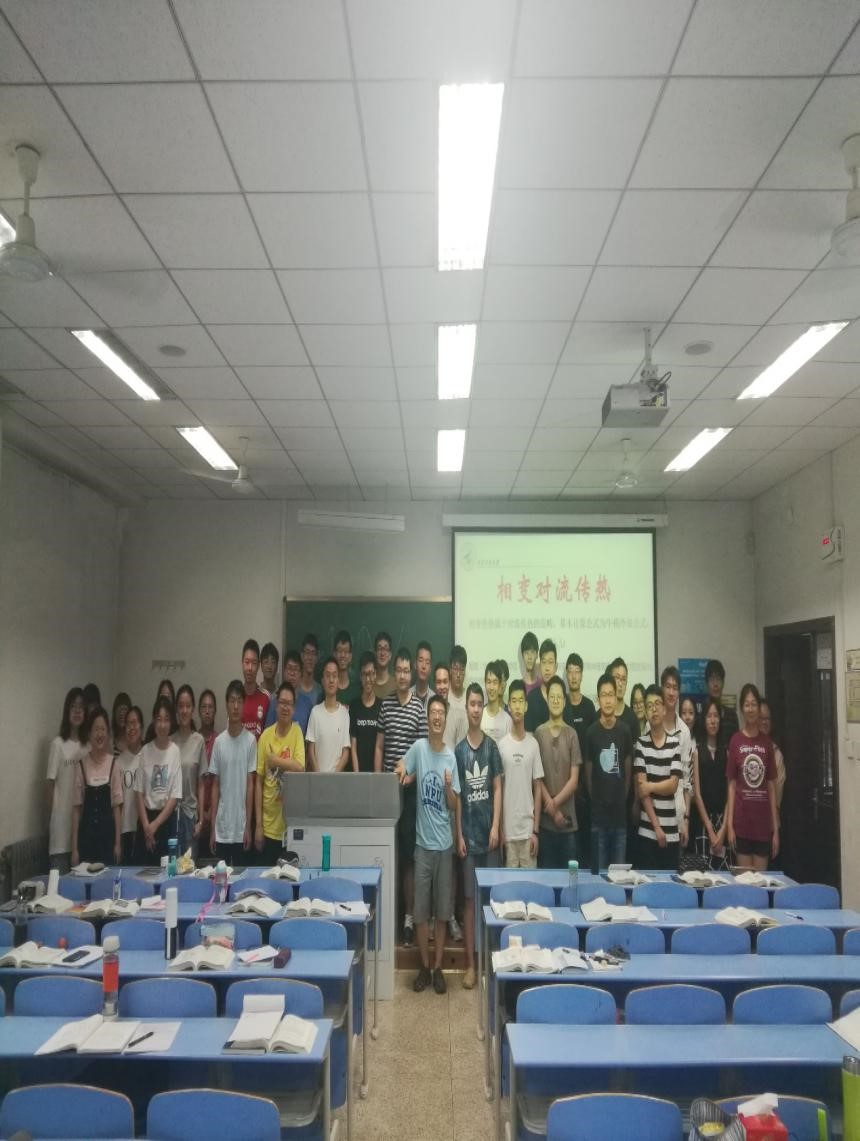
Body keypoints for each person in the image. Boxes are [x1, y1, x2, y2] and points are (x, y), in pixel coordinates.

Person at [396, 693, 461, 995]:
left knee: (443, 913)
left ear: (445, 719)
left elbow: (454, 804)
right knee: (421, 913)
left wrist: (448, 788)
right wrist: (401, 771)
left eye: (441, 713)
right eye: (432, 712)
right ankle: (423, 966)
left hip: (444, 847)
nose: (436, 717)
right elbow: (402, 765)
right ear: (427, 718)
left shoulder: (451, 757)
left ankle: (437, 968)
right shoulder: (419, 748)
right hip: (422, 847)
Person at [375, 648, 428, 946]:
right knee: (385, 853)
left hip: (409, 793)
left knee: (408, 858)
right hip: (386, 791)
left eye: (408, 670)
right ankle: (386, 914)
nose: (404, 675)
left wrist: (409, 776)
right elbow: (380, 746)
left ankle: (408, 917)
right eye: (401, 670)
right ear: (395, 674)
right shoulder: (386, 705)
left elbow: (422, 754)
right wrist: (378, 780)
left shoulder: (419, 707)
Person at [455, 683, 502, 989]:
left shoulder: (492, 748)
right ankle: (471, 965)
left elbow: (497, 788)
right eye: (471, 704)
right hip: (468, 839)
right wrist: (458, 834)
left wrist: (496, 826)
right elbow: (458, 796)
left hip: (491, 837)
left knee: (491, 900)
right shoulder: (459, 751)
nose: (474, 709)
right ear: (466, 708)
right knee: (470, 901)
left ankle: (491, 963)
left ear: (483, 708)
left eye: (478, 704)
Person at [726, 683, 780, 870]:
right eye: (747, 704)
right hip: (741, 824)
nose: (750, 709)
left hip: (762, 826)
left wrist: (775, 829)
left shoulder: (767, 743)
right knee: (744, 884)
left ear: (759, 708)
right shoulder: (735, 741)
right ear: (742, 709)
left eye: (754, 704)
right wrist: (730, 825)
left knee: (760, 883)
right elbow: (732, 785)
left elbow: (771, 787)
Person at [584, 673, 633, 869]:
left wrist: (620, 798)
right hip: (598, 819)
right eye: (603, 695)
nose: (608, 700)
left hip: (619, 818)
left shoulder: (625, 731)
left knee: (619, 876)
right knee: (599, 875)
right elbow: (588, 777)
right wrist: (598, 800)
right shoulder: (591, 732)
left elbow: (628, 774)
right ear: (598, 699)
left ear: (616, 697)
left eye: (611, 694)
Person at [255, 681, 306, 863]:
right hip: (268, 825)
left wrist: (275, 761)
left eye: (289, 703)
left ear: (294, 708)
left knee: (289, 877)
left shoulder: (297, 732)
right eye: (282, 702)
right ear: (276, 705)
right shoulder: (265, 736)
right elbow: (258, 783)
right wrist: (258, 826)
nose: (285, 707)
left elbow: (300, 768)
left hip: (290, 824)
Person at [535, 676, 582, 867]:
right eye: (552, 697)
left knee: (569, 879)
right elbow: (537, 778)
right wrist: (552, 809)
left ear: (564, 701)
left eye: (559, 697)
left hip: (568, 823)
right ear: (547, 700)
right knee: (547, 878)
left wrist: (554, 804)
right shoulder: (539, 733)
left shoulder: (572, 734)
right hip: (545, 824)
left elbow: (574, 780)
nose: (555, 701)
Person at [208, 680, 257, 864]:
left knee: (240, 879)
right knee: (220, 878)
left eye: (239, 701)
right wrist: (212, 828)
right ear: (226, 704)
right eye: (232, 701)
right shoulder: (219, 742)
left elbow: (251, 784)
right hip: (221, 828)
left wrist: (248, 826)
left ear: (244, 704)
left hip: (241, 829)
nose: (236, 706)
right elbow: (215, 786)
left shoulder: (250, 741)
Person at [634, 685, 682, 870]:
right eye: (649, 706)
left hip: (671, 831)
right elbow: (642, 792)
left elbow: (673, 785)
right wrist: (657, 828)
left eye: (657, 704)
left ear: (664, 709)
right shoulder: (641, 744)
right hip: (647, 831)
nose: (653, 709)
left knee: (670, 884)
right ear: (645, 712)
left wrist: (651, 786)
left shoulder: (674, 743)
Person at [498, 680, 544, 869]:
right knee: (509, 887)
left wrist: (535, 831)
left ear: (526, 706)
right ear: (509, 706)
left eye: (521, 701)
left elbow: (538, 789)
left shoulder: (533, 744)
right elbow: (498, 789)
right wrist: (500, 829)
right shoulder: (501, 745)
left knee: (529, 886)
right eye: (514, 701)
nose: (517, 706)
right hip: (508, 834)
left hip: (528, 833)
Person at [71, 705, 122, 867]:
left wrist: (118, 844)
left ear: (107, 733)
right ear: (89, 733)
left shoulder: (114, 764)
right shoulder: (81, 765)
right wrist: (74, 849)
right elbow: (76, 809)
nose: (99, 734)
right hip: (86, 839)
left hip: (107, 840)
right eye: (96, 729)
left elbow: (117, 808)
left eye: (103, 729)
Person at [135, 695, 181, 860]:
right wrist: (147, 827)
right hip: (145, 821)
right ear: (154, 721)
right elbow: (139, 793)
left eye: (166, 719)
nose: (162, 725)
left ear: (171, 722)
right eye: (159, 719)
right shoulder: (145, 751)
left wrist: (155, 825)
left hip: (165, 822)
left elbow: (174, 796)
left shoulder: (175, 751)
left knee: (167, 871)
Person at [46, 687, 86, 873]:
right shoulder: (58, 744)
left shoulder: (88, 747)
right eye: (73, 706)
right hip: (60, 833)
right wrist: (52, 821)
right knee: (58, 884)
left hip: (82, 831)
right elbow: (50, 785)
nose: (77, 711)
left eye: (81, 707)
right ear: (66, 710)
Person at [692, 698, 729, 868]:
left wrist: (723, 830)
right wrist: (710, 830)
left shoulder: (727, 752)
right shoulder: (697, 751)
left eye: (716, 716)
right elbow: (697, 794)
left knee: (724, 876)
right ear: (704, 720)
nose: (713, 720)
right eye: (709, 716)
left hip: (723, 823)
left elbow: (730, 794)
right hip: (703, 822)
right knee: (703, 876)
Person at [660, 666, 693, 848]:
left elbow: (687, 781)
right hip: (655, 815)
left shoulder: (684, 732)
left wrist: (686, 820)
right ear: (661, 689)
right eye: (668, 687)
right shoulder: (651, 725)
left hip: (677, 814)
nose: (671, 692)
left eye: (675, 688)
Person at [172, 684, 207, 856]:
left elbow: (201, 784)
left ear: (193, 709)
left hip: (190, 815)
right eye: (181, 706)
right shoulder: (170, 741)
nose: (184, 710)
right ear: (176, 710)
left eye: (188, 706)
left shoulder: (198, 740)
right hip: (171, 814)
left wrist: (200, 820)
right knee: (171, 865)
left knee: (189, 866)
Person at [306, 658, 352, 772]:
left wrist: (333, 777)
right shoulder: (315, 712)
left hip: (337, 779)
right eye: (327, 675)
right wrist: (319, 776)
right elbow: (311, 750)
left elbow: (345, 753)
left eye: (334, 676)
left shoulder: (344, 714)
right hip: (318, 777)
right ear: (322, 681)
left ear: (338, 680)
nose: (331, 680)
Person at [264, 650, 314, 736]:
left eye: (296, 669)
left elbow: (310, 737)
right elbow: (267, 734)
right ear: (284, 671)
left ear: (301, 674)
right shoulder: (274, 703)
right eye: (289, 668)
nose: (292, 673)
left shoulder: (307, 704)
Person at [117, 704, 143, 864]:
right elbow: (118, 803)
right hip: (125, 828)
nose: (131, 728)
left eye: (135, 723)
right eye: (128, 724)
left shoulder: (148, 755)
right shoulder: (119, 761)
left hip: (145, 827)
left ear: (141, 726)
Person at [350, 652, 381, 774]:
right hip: (358, 773)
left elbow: (381, 745)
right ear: (360, 676)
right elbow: (353, 745)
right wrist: (357, 775)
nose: (368, 679)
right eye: (364, 674)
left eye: (371, 674)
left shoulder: (382, 706)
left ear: (375, 674)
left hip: (377, 774)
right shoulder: (354, 706)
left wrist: (378, 776)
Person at [197, 688, 217, 855]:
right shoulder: (193, 740)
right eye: (204, 707)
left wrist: (210, 813)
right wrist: (201, 812)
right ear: (199, 711)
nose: (207, 711)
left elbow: (222, 781)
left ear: (215, 711)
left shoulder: (220, 741)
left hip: (216, 815)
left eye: (210, 707)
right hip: (195, 814)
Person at [562, 652, 596, 751]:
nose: (573, 676)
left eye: (577, 671)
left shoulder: (589, 706)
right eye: (570, 671)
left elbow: (593, 739)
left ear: (581, 675)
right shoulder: (561, 704)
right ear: (566, 675)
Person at [524, 638, 557, 732]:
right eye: (544, 662)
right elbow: (528, 735)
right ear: (539, 666)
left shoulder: (563, 699)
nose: (547, 668)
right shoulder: (531, 698)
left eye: (550, 662)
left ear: (556, 666)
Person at [759, 698, 786, 809]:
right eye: (761, 718)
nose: (764, 722)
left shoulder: (776, 753)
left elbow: (778, 789)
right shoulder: (744, 749)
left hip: (769, 813)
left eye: (767, 719)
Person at [607, 657, 641, 744]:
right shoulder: (599, 716)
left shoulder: (632, 718)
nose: (620, 683)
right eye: (617, 678)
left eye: (623, 679)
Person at [241, 638, 269, 740]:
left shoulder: (266, 697)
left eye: (254, 663)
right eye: (247, 662)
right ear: (242, 663)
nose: (250, 668)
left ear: (258, 666)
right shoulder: (235, 696)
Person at [434, 663, 467, 749]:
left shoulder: (459, 716)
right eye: (438, 682)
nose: (442, 687)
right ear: (434, 684)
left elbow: (461, 752)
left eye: (445, 682)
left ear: (449, 683)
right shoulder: (427, 714)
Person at [706, 659, 739, 738]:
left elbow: (736, 742)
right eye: (712, 679)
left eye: (718, 679)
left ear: (723, 683)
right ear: (707, 684)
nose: (715, 684)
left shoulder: (732, 715)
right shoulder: (701, 715)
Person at [481, 660, 512, 743]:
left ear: (500, 684)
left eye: (495, 682)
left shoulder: (508, 719)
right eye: (489, 682)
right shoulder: (479, 715)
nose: (491, 687)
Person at [334, 629, 358, 704]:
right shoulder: (328, 688)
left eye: (346, 651)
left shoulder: (357, 691)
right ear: (334, 654)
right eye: (340, 651)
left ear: (350, 656)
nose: (343, 655)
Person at [299, 633, 323, 705]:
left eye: (313, 653)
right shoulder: (294, 688)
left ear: (317, 658)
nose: (310, 658)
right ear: (302, 656)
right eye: (307, 653)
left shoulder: (321, 691)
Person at [373, 631, 396, 700]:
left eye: (385, 649)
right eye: (379, 649)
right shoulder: (369, 683)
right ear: (375, 654)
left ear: (390, 655)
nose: (382, 653)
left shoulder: (396, 685)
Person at [519, 631, 541, 695]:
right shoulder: (518, 686)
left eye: (532, 652)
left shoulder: (543, 685)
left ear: (537, 654)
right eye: (526, 653)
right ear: (522, 655)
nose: (529, 657)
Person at [413, 641, 434, 710]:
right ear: (415, 664)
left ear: (430, 669)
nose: (424, 666)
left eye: (427, 662)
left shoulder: (434, 699)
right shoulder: (407, 695)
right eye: (420, 660)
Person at [110, 691, 131, 756]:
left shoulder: (136, 743)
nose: (122, 713)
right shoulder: (109, 743)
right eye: (119, 709)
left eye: (125, 709)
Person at [448, 645, 468, 711]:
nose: (458, 674)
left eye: (462, 669)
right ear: (450, 670)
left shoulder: (469, 697)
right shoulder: (444, 694)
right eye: (455, 669)